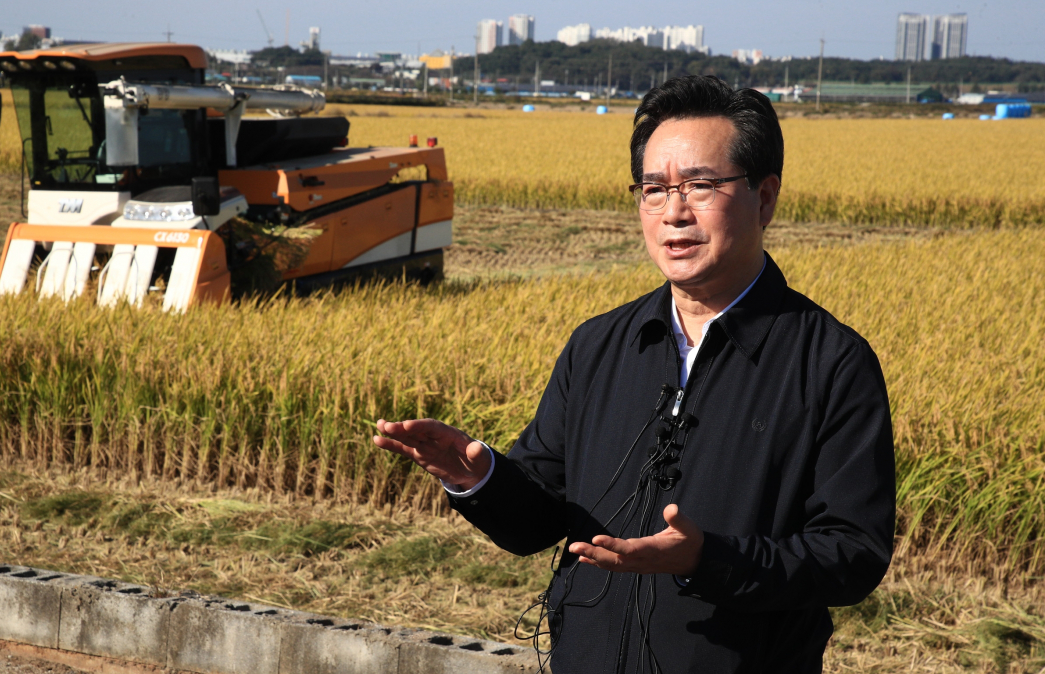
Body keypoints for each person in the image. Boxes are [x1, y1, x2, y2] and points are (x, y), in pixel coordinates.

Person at [373, 75, 895, 673]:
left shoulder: (831, 363)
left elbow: (853, 552)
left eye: (700, 186)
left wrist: (708, 560)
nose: (674, 212)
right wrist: (480, 478)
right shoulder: (598, 346)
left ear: (765, 197)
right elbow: (538, 520)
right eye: (654, 189)